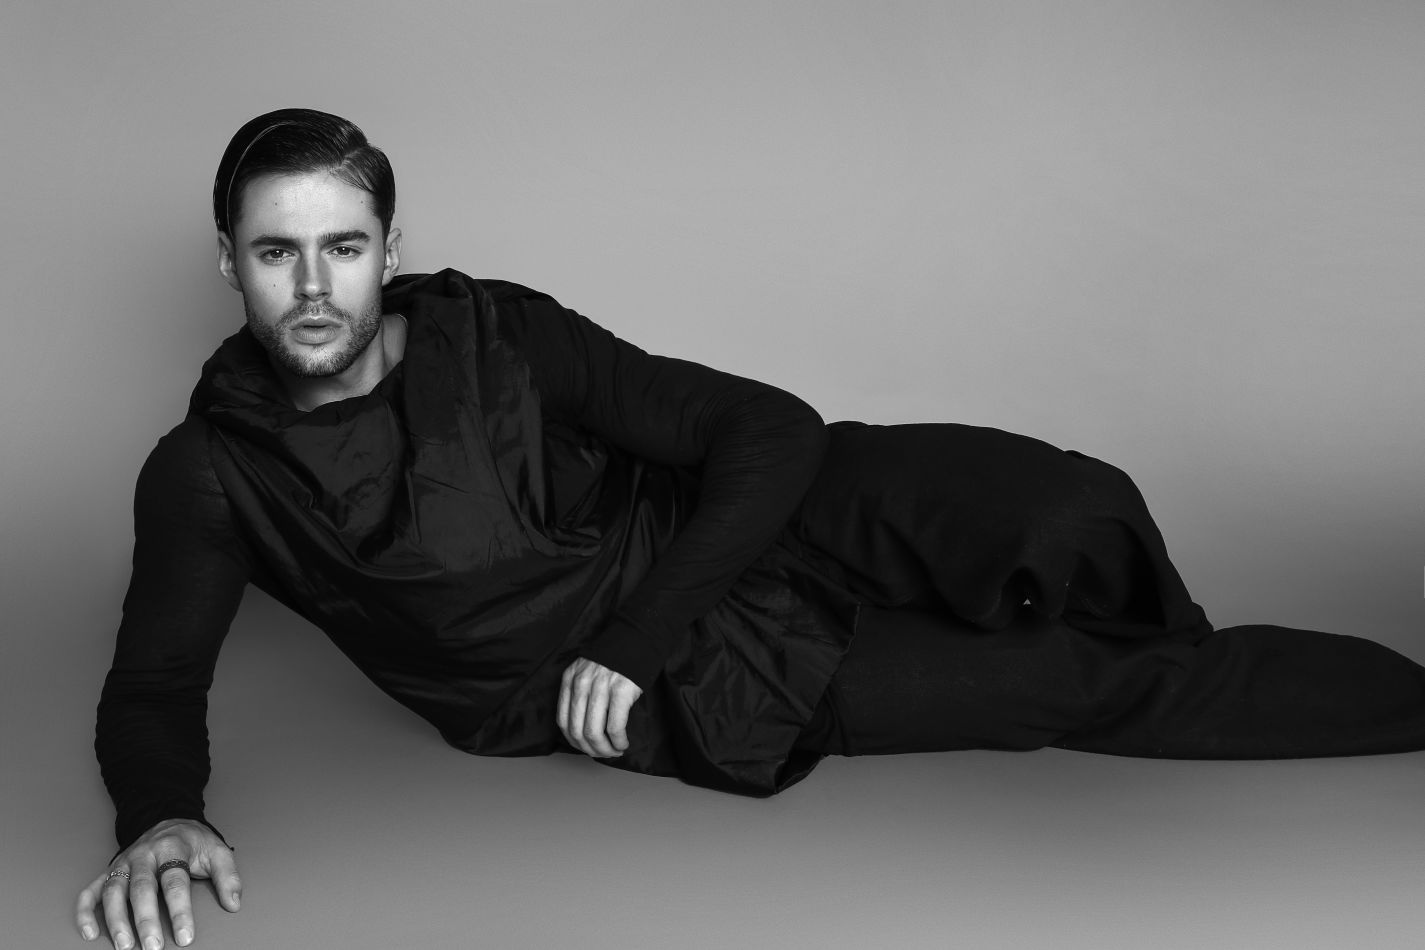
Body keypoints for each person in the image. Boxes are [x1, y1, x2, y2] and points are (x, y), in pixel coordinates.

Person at [76, 108, 1425, 949]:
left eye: (344, 246)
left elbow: (768, 430)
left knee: (1069, 503)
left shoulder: (493, 332)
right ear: (228, 261)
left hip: (716, 535)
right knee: (1074, 682)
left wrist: (637, 626)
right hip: (695, 677)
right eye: (277, 252)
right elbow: (152, 683)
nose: (315, 287)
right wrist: (158, 815)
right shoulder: (207, 475)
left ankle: (1159, 630)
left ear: (387, 244)